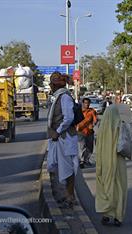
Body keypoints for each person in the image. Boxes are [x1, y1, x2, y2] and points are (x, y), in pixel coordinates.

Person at [47, 72, 79, 209]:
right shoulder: (58, 97)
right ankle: (65, 195)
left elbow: (68, 118)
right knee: (55, 166)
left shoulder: (64, 97)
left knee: (68, 169)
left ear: (55, 85)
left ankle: (70, 197)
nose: (50, 87)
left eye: (51, 84)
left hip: (65, 139)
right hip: (58, 139)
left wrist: (58, 131)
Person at [95, 104, 128, 226]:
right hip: (119, 162)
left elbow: (98, 146)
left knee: (106, 185)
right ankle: (118, 216)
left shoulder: (102, 127)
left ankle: (106, 213)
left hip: (105, 161)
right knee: (120, 187)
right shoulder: (121, 125)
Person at [76, 98, 97, 168]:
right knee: (82, 146)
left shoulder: (92, 111)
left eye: (88, 103)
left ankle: (86, 160)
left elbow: (95, 120)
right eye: (85, 103)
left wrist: (93, 124)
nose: (87, 104)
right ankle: (81, 161)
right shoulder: (78, 111)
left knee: (90, 147)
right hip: (81, 132)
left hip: (89, 132)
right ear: (82, 103)